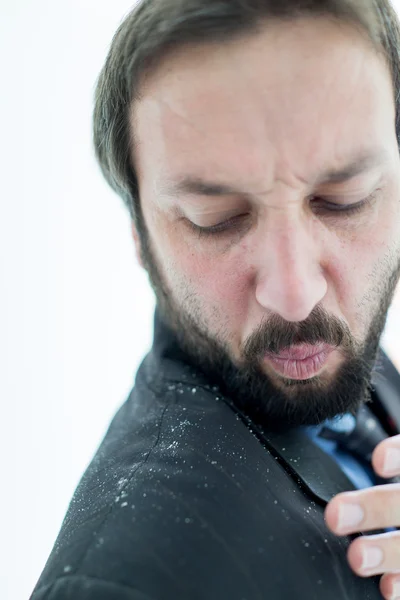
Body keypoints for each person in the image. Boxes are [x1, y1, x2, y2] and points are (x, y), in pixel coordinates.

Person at [30, 1, 400, 598]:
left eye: (345, 200)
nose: (296, 294)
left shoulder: (334, 350)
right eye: (217, 219)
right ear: (140, 236)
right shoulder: (127, 585)